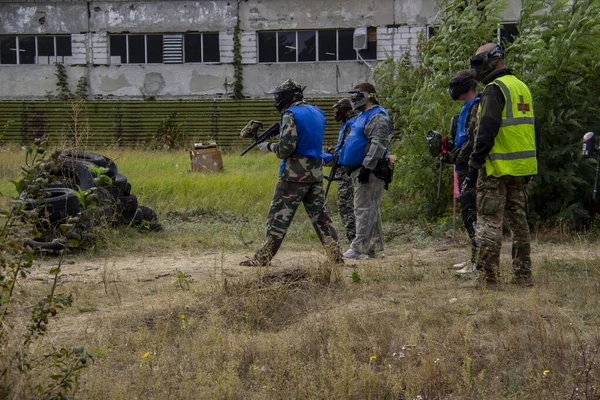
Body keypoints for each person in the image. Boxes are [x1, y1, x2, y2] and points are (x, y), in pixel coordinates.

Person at [240, 79, 343, 266]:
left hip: (294, 175)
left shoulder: (290, 114)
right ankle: (337, 257)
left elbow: (286, 148)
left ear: (289, 96)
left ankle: (262, 259)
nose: (277, 99)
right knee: (322, 218)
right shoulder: (317, 112)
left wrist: (269, 146)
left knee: (278, 217)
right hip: (315, 172)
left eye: (279, 95)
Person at [463, 43, 537, 286]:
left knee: (489, 221)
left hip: (496, 168)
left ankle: (488, 278)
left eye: (477, 62)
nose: (476, 69)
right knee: (519, 222)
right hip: (522, 168)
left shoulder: (494, 90)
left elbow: (485, 133)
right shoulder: (521, 87)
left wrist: (473, 167)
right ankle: (523, 276)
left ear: (492, 60)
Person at [338, 83, 391, 260]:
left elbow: (378, 144)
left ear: (368, 96)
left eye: (356, 96)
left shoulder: (378, 116)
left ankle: (359, 248)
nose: (353, 100)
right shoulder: (363, 116)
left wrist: (367, 167)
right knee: (370, 209)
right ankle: (375, 248)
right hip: (359, 168)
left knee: (363, 208)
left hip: (371, 169)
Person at [444, 70, 480, 274]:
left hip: (470, 166)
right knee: (468, 213)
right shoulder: (467, 108)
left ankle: (477, 261)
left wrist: (457, 155)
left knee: (472, 213)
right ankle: (473, 257)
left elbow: (473, 140)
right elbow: (462, 138)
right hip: (463, 165)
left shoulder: (477, 106)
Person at [328, 98, 357, 243]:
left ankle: (354, 238)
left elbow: (349, 148)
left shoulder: (351, 124)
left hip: (348, 169)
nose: (335, 113)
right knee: (347, 204)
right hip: (345, 168)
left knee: (345, 204)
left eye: (337, 110)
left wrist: (335, 155)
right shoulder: (348, 123)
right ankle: (355, 238)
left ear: (345, 110)